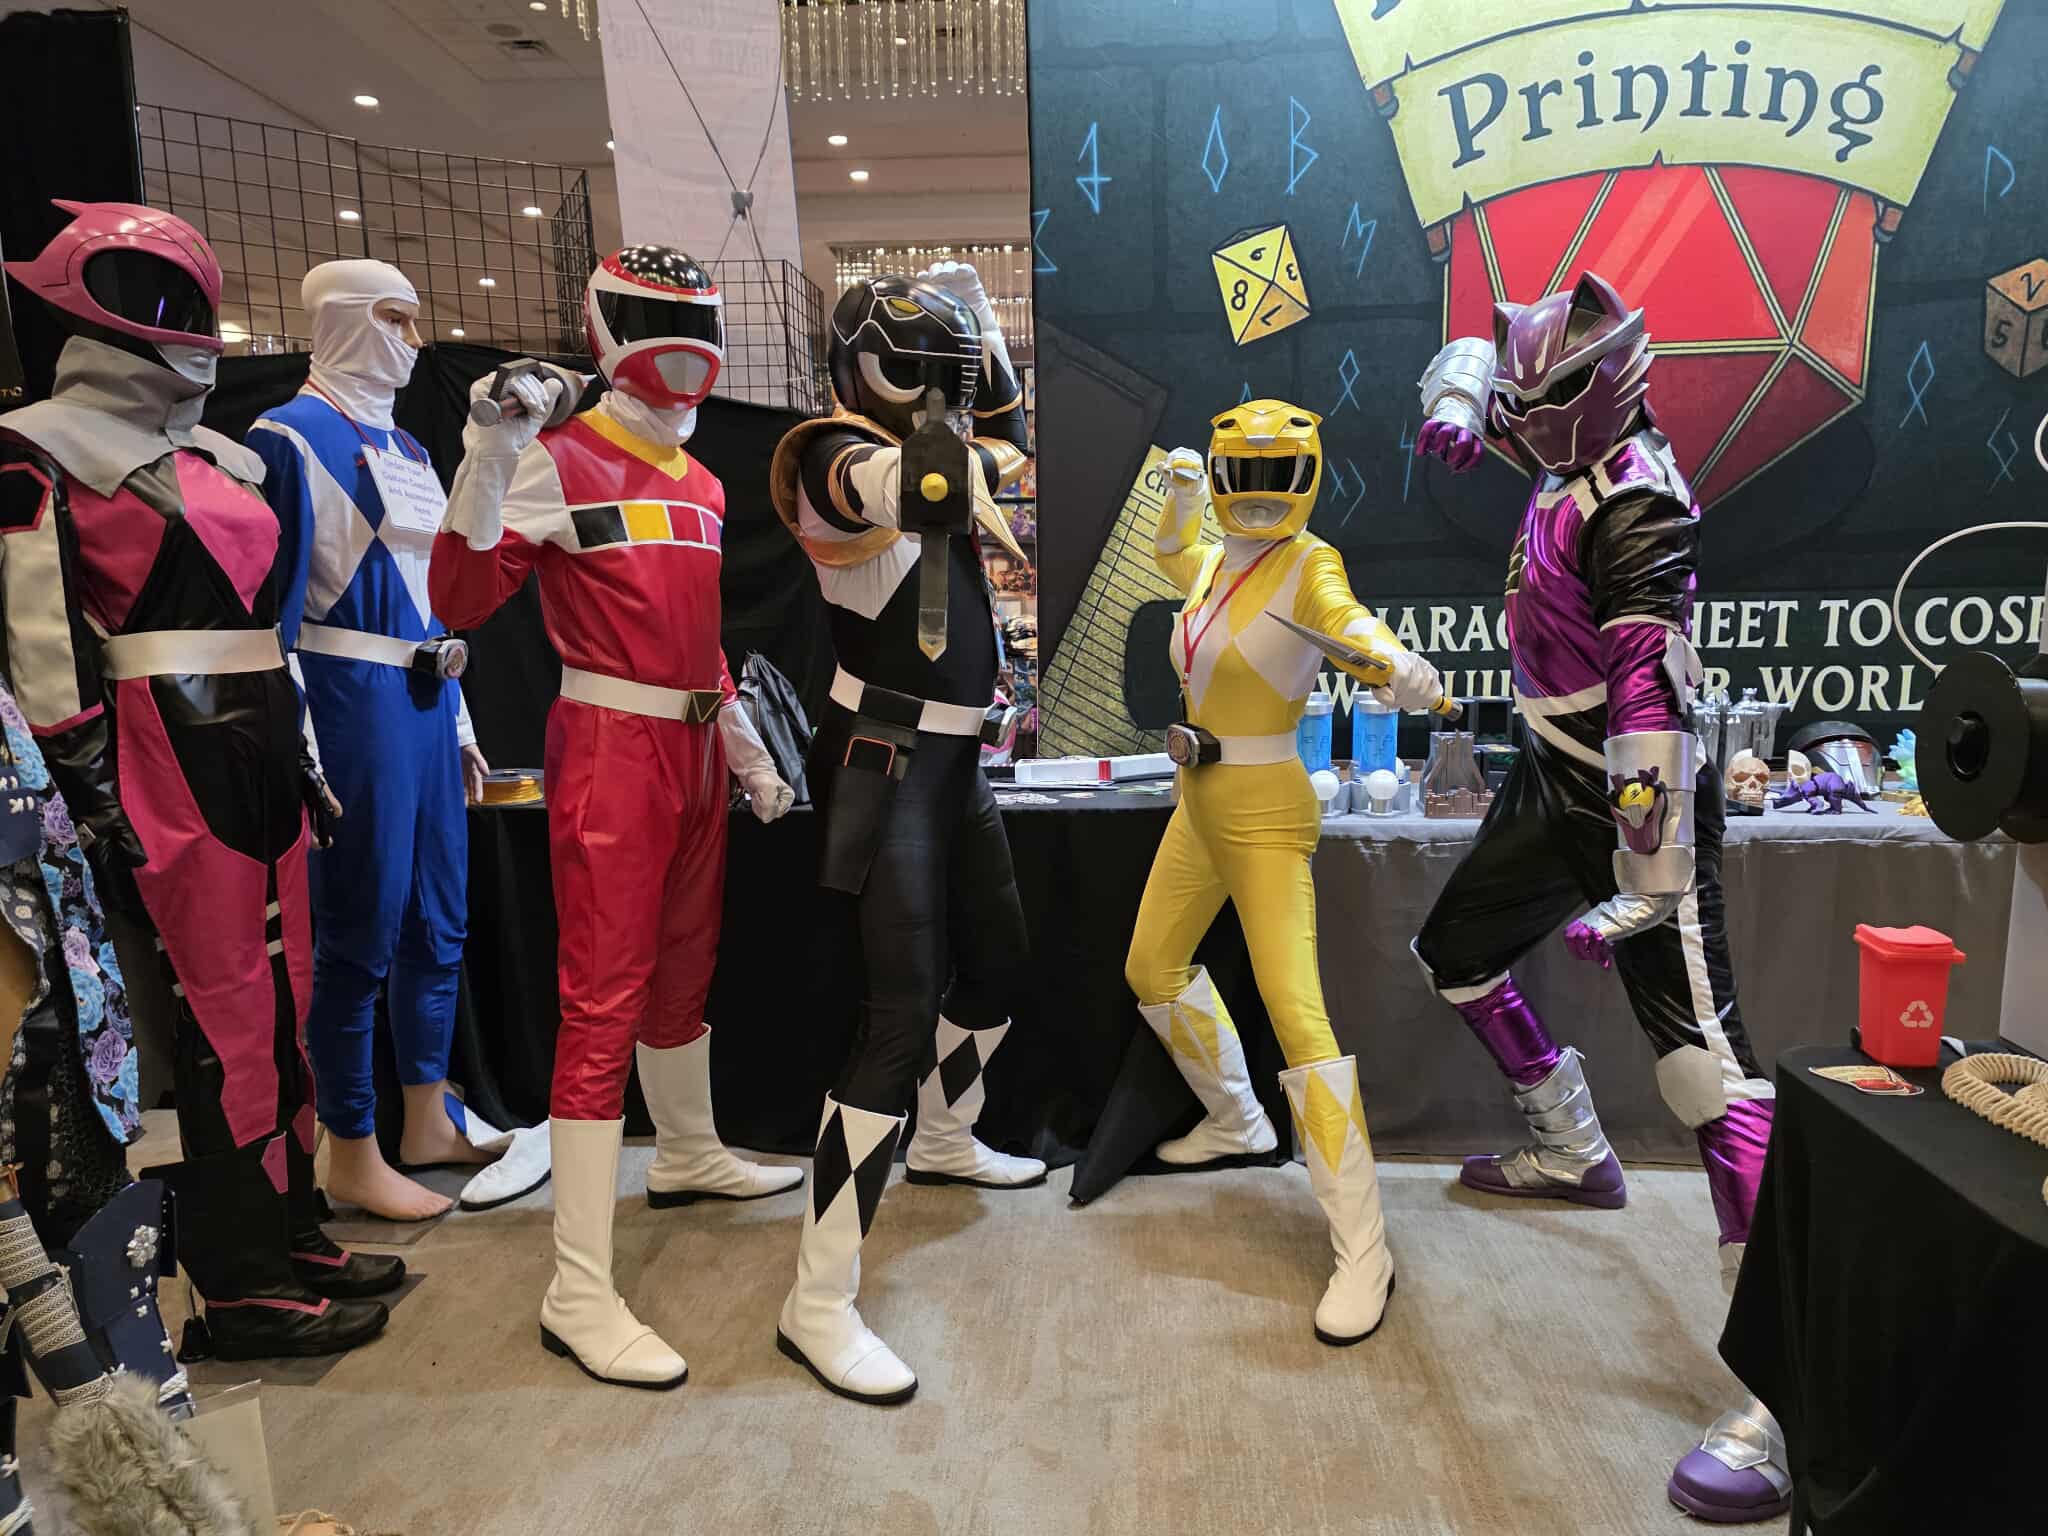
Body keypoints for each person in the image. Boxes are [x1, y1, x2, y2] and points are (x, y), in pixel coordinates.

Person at [1412, 271, 1786, 1524]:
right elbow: (1472, 354)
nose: (1518, 421)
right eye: (1516, 405)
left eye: (1539, 404)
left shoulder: (1635, 508)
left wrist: (1645, 875)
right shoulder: (1563, 445)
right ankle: (1570, 1146)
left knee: (1702, 1075)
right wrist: (1460, 399)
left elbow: (1648, 697)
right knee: (1455, 953)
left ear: (1602, 388)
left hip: (1634, 792)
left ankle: (1787, 1388)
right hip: (1547, 770)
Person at [0, 201, 390, 1360]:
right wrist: (85, 787)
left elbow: (270, 628)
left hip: (258, 736)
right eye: (159, 295)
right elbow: (39, 640)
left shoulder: (224, 456)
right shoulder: (34, 451)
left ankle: (290, 1232)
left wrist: (303, 754)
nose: (190, 324)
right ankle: (242, 1284)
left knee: (286, 1000)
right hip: (157, 753)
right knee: (221, 1015)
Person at [431, 244, 797, 1391]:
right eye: (654, 317)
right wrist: (491, 453)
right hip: (608, 751)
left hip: (689, 747)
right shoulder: (560, 458)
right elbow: (458, 597)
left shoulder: (704, 483)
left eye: (698, 319)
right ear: (607, 325)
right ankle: (577, 1291)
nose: (683, 345)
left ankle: (685, 1152)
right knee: (602, 1004)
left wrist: (738, 744)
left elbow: (697, 638)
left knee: (684, 968)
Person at [766, 262, 1045, 1406]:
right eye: (925, 368)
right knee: (895, 1017)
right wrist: (963, 420)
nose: (940, 390)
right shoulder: (823, 453)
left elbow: (997, 449)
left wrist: (987, 349)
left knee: (1000, 966)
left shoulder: (934, 441)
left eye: (951, 372)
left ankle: (942, 1135)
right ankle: (817, 1299)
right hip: (883, 760)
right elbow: (916, 487)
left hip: (953, 761)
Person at [1125, 401, 1447, 1347]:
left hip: (1266, 810)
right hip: (1198, 800)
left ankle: (1364, 1247)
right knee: (1151, 968)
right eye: (1245, 476)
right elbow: (1174, 557)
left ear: (1303, 478)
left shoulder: (1310, 564)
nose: (1259, 497)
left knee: (1300, 1020)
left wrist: (1395, 665)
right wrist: (1183, 497)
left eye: (1276, 478)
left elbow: (1348, 623)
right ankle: (1237, 1118)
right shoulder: (1217, 564)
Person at [249, 258, 547, 1223]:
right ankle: (350, 1146)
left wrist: (458, 719)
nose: (413, 341)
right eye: (394, 318)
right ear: (339, 318)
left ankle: (426, 1114)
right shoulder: (287, 439)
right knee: (360, 923)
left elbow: (434, 592)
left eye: (418, 320)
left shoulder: (414, 450)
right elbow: (271, 613)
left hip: (425, 697)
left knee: (439, 916)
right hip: (348, 701)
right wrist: (300, 739)